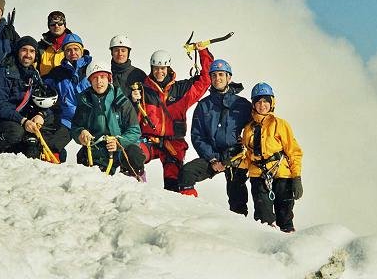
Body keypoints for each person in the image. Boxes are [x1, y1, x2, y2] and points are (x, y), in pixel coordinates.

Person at [132, 43, 213, 191]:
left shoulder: (181, 90)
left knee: (173, 184)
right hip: (149, 141)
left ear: (168, 68)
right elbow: (133, 117)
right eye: (156, 68)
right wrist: (134, 100)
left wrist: (203, 52)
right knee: (132, 154)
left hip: (173, 144)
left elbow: (206, 80)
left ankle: (172, 208)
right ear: (151, 68)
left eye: (162, 68)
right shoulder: (143, 90)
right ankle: (136, 192)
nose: (159, 72)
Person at [177, 59, 252, 214]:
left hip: (235, 156)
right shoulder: (204, 105)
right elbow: (197, 135)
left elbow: (254, 128)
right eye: (214, 75)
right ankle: (188, 213)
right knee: (187, 173)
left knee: (236, 194)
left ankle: (240, 226)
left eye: (221, 74)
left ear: (229, 77)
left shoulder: (243, 105)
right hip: (212, 156)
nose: (217, 78)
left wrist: (241, 146)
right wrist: (212, 159)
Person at [0, 36, 71, 160]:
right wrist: (23, 121)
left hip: (24, 118)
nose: (28, 54)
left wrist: (41, 114)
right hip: (2, 119)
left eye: (32, 51)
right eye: (24, 50)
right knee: (16, 133)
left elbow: (42, 98)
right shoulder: (2, 72)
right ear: (17, 51)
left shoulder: (33, 74)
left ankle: (35, 149)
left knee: (55, 123)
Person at [239, 82, 303, 232]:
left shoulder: (280, 124)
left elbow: (293, 151)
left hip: (282, 175)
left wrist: (296, 177)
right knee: (263, 219)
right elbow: (248, 155)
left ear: (272, 102)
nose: (262, 105)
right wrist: (239, 171)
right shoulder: (248, 129)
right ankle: (266, 252)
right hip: (258, 176)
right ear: (253, 104)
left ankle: (291, 247)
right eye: (258, 101)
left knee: (285, 216)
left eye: (266, 101)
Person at [70, 61, 146, 179]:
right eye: (94, 78)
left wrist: (119, 142)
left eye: (102, 77)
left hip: (120, 149)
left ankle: (136, 181)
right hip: (97, 149)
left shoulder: (121, 100)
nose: (99, 81)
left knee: (134, 154)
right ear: (90, 81)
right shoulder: (85, 101)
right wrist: (81, 133)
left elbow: (135, 130)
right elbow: (75, 126)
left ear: (108, 79)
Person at [43, 33, 92, 133]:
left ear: (82, 51)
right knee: (52, 145)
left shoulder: (92, 69)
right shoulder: (57, 73)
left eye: (76, 49)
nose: (72, 52)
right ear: (64, 53)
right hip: (66, 122)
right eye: (68, 50)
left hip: (90, 121)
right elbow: (45, 90)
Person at [109, 34, 147, 101]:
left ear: (128, 53)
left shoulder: (139, 74)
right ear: (112, 53)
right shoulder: (105, 74)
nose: (120, 54)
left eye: (123, 50)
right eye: (116, 50)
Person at [38, 11, 75, 77]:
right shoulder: (41, 47)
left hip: (67, 85)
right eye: (52, 24)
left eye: (60, 23)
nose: (56, 26)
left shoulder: (74, 44)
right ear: (49, 27)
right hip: (45, 85)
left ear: (65, 26)